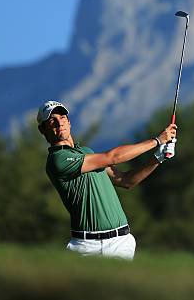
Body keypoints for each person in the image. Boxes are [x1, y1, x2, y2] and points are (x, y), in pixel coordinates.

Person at [37, 100, 177, 260]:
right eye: (51, 120)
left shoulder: (86, 152)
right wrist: (156, 141)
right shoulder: (58, 160)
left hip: (121, 242)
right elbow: (113, 157)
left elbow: (125, 180)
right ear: (43, 129)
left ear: (68, 122)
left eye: (62, 117)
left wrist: (158, 158)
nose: (59, 123)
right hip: (86, 246)